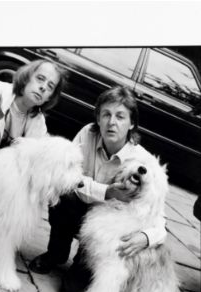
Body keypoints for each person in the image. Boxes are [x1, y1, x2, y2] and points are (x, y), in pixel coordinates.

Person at [29, 86, 167, 276]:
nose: (111, 122)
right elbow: (68, 176)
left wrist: (146, 237)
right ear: (98, 118)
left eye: (120, 116)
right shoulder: (87, 134)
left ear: (132, 123)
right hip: (77, 208)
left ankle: (83, 260)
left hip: (103, 231)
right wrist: (107, 192)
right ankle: (56, 253)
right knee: (63, 192)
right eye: (106, 115)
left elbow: (158, 220)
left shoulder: (143, 162)